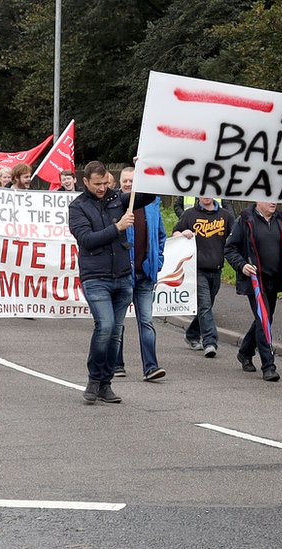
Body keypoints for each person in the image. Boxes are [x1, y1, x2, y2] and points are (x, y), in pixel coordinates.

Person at [68, 161, 158, 403]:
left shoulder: (119, 198)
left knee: (116, 332)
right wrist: (117, 227)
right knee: (105, 326)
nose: (102, 188)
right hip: (95, 277)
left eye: (105, 182)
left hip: (122, 276)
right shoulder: (77, 207)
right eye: (97, 184)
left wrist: (144, 170)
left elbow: (150, 195)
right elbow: (86, 239)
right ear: (85, 181)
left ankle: (105, 384)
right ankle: (93, 379)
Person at [224, 201, 282, 382]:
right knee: (263, 318)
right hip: (255, 282)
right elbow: (230, 248)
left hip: (274, 281)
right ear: (258, 200)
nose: (273, 202)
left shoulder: (281, 222)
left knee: (266, 318)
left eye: (275, 198)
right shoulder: (244, 220)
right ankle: (269, 366)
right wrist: (242, 265)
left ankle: (245, 352)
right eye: (268, 198)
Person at [112, 167, 167, 381]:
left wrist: (157, 260)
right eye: (125, 181)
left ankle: (151, 367)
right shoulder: (115, 204)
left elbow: (160, 235)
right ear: (120, 182)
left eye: (132, 181)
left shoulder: (152, 205)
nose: (128, 184)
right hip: (122, 274)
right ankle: (117, 364)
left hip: (145, 274)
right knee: (118, 323)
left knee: (146, 321)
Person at [173, 196, 235, 358]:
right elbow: (175, 233)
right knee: (205, 305)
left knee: (206, 306)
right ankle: (210, 341)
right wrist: (182, 233)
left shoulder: (225, 215)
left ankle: (192, 334)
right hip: (196, 269)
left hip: (216, 269)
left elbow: (236, 236)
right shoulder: (190, 215)